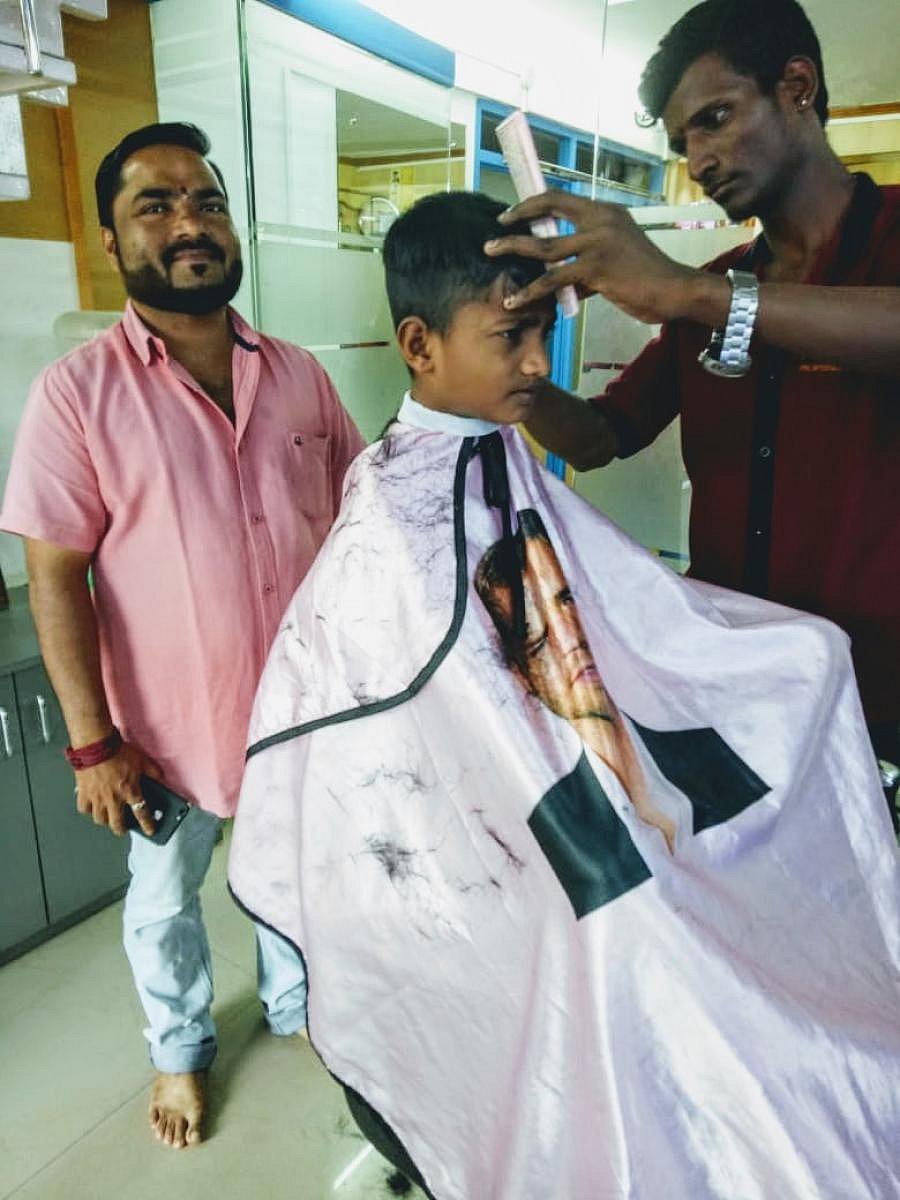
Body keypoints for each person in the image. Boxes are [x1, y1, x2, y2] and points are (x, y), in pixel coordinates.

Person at [228, 191, 899, 1198]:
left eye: (546, 328)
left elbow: (598, 618)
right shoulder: (391, 516)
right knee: (642, 934)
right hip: (472, 833)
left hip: (564, 773)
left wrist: (784, 655)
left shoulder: (494, 440)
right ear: (418, 344)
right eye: (512, 335)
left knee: (710, 857)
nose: (540, 364)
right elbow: (433, 734)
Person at [0, 121, 364, 1149]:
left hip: (301, 717)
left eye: (204, 199)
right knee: (165, 905)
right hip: (159, 738)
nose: (188, 222)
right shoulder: (76, 398)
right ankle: (179, 1052)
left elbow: (357, 530)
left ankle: (302, 1009)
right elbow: (55, 579)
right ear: (111, 242)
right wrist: (91, 742)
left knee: (296, 879)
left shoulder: (299, 375)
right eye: (153, 206)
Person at [484, 0, 900, 815]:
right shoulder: (714, 288)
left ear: (797, 87)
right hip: (739, 694)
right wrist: (506, 364)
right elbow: (604, 436)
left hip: (881, 704)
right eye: (682, 144)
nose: (700, 160)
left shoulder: (731, 284)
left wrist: (691, 291)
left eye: (715, 119)